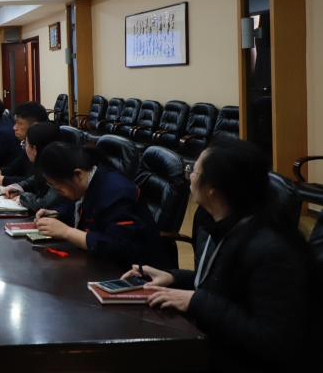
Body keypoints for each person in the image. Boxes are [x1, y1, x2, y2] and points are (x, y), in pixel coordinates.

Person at [120, 139, 314, 370]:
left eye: (193, 171)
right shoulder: (222, 224)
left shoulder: (271, 249)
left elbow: (274, 340)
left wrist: (196, 301)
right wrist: (174, 277)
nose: (189, 177)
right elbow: (225, 285)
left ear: (212, 187)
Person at [33, 142, 168, 268]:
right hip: (101, 264)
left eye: (58, 188)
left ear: (78, 174)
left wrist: (66, 232)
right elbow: (78, 207)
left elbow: (119, 246)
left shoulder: (117, 192)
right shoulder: (87, 182)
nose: (59, 193)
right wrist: (57, 214)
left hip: (139, 272)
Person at [0, 122, 74, 222]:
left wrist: (21, 197)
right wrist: (18, 186)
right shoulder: (47, 163)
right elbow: (35, 178)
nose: (25, 148)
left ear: (34, 149)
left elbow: (43, 204)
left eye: (25, 144)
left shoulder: (59, 170)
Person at [0, 101, 48, 184]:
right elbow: (13, 169)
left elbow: (31, 182)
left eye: (20, 123)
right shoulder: (26, 144)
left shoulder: (46, 149)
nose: (14, 128)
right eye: (15, 123)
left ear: (34, 126)